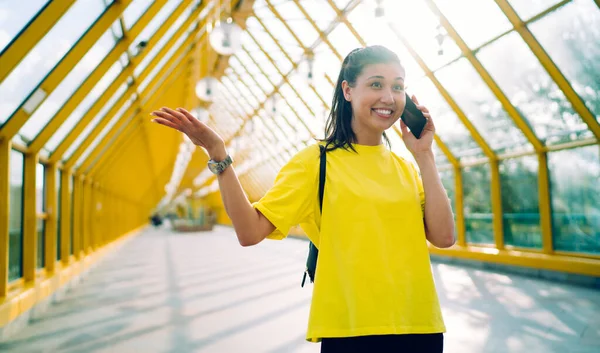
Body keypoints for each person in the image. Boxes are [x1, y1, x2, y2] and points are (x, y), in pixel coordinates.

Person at [151, 45, 455, 353]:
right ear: (347, 91)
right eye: (376, 84)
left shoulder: (406, 167)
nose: (389, 97)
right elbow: (249, 231)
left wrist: (425, 155)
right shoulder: (315, 162)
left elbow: (444, 237)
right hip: (350, 332)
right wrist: (219, 155)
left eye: (398, 87)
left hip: (421, 328)